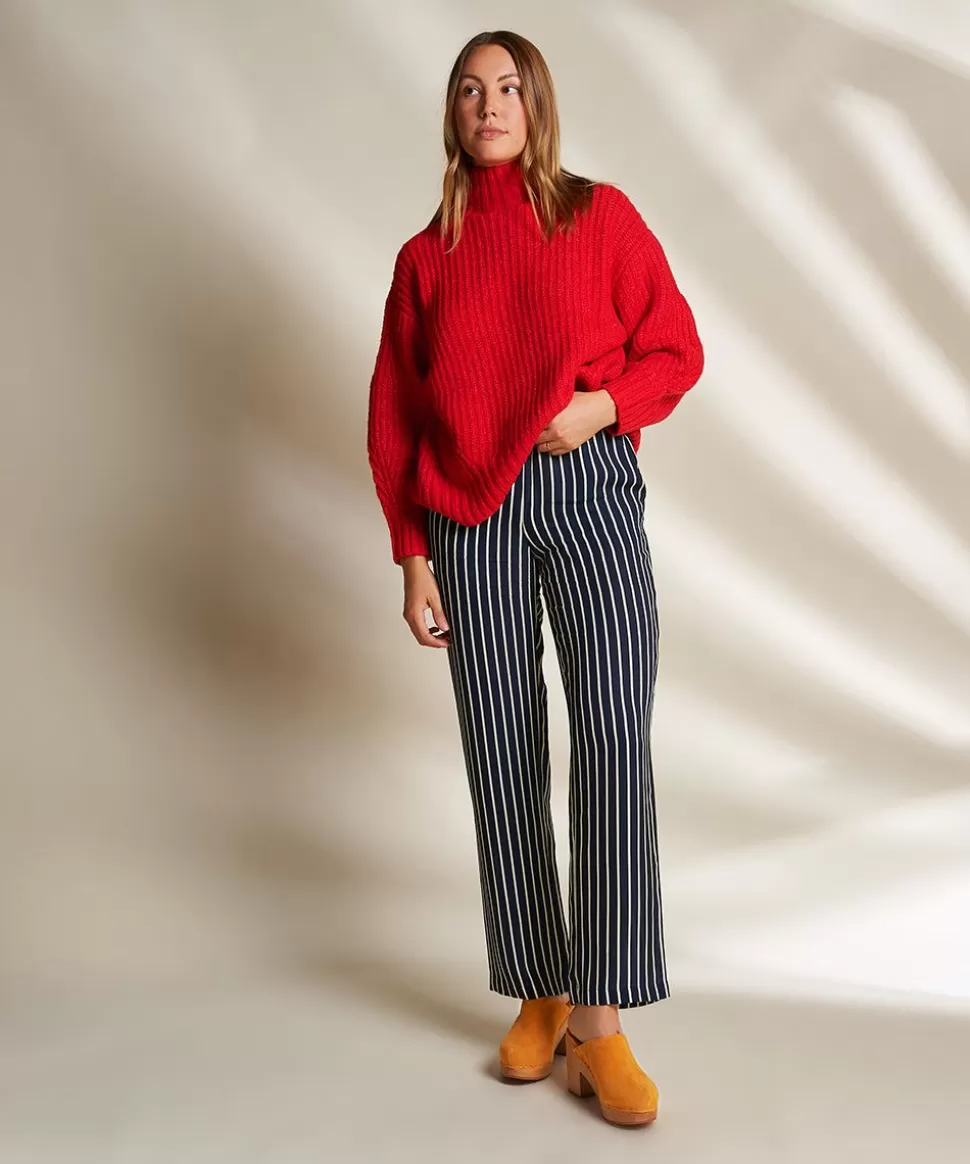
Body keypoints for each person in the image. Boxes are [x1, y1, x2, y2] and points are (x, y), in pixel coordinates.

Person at [366, 29, 703, 1128]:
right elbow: (396, 413)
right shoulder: (426, 259)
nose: (489, 104)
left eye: (508, 87)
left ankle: (599, 1023)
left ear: (537, 104)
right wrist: (412, 553)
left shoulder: (599, 218)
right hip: (470, 517)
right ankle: (539, 990)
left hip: (585, 486)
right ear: (452, 116)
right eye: (469, 90)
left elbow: (676, 348)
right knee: (501, 746)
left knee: (611, 729)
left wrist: (601, 408)